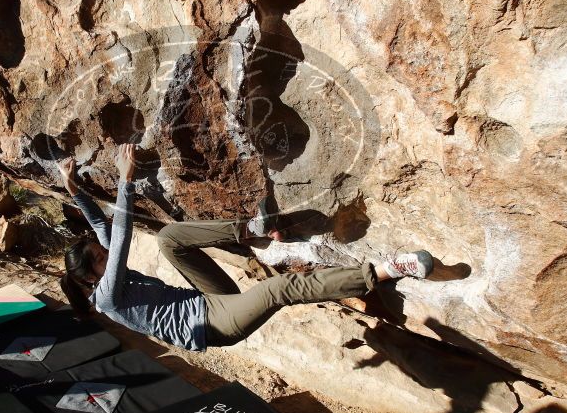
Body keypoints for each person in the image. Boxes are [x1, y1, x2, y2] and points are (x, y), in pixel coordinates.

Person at [58, 144, 433, 350]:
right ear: (91, 279)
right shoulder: (107, 297)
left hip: (207, 299)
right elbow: (120, 237)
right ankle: (386, 270)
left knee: (168, 239)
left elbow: (100, 225)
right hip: (213, 326)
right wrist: (126, 180)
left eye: (101, 253)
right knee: (278, 289)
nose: (106, 255)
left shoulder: (103, 273)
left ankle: (253, 228)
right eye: (100, 259)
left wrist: (72, 187)